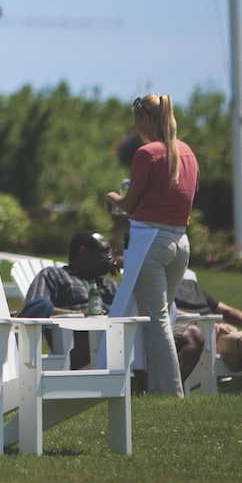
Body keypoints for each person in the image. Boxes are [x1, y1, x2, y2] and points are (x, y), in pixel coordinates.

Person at [104, 93, 199, 398]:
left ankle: (170, 394)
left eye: (137, 119)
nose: (135, 126)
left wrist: (112, 199)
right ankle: (159, 388)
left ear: (146, 118)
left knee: (157, 322)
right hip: (180, 243)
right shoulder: (188, 153)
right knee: (162, 321)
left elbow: (128, 206)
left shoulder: (147, 153)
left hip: (151, 242)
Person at [17, 231, 123, 370]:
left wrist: (128, 266)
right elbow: (36, 307)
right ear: (84, 252)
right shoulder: (54, 276)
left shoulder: (111, 286)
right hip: (75, 344)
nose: (110, 257)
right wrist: (79, 315)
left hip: (117, 342)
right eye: (105, 251)